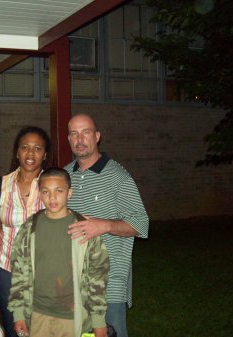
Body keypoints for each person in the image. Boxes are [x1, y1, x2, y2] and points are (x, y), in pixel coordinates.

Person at [64, 114, 149, 337]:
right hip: (74, 283)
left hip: (110, 284)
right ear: (69, 139)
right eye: (74, 133)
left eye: (86, 132)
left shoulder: (117, 176)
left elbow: (141, 223)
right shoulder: (64, 177)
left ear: (97, 136)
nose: (80, 139)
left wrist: (105, 225)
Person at [8, 167, 109, 337]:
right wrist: (18, 314)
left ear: (70, 192)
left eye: (59, 191)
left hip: (72, 316)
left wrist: (98, 321)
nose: (52, 197)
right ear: (40, 194)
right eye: (46, 192)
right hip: (37, 314)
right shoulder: (29, 228)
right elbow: (18, 271)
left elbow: (97, 277)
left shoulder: (85, 228)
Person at [0, 126, 52, 337]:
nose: (31, 153)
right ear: (17, 152)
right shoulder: (0, 185)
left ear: (45, 155)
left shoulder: (54, 185)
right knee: (14, 330)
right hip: (6, 273)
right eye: (25, 147)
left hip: (45, 274)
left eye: (37, 148)